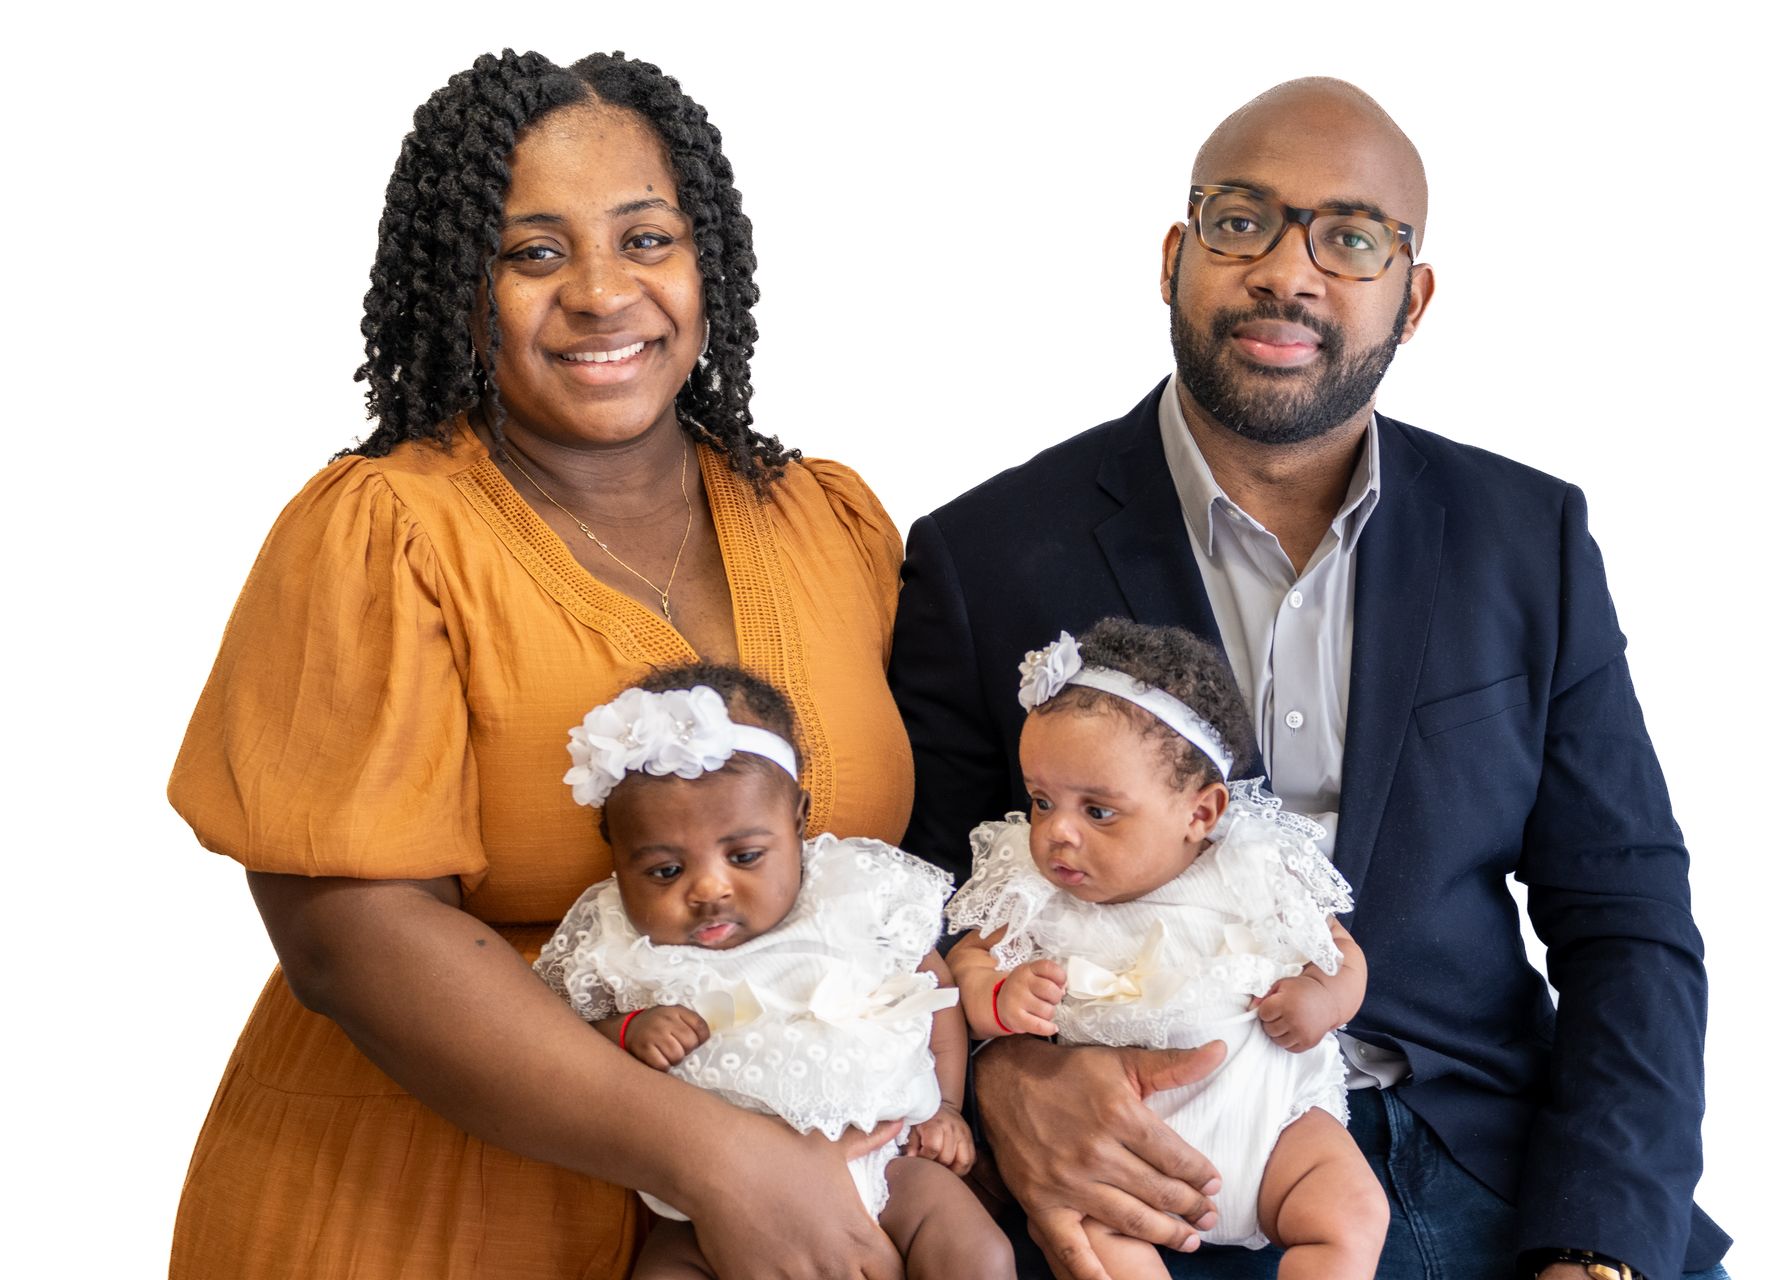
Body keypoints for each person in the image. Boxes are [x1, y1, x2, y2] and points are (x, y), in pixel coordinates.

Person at [888, 78, 1731, 1280]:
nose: (1290, 272)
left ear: (1412, 295)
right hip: (1154, 1162)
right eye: (1243, 222)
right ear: (1175, 256)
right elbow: (920, 907)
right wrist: (1018, 1080)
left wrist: (1598, 1239)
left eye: (1350, 237)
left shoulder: (1523, 536)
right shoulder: (987, 555)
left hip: (1491, 1156)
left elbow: (1630, 919)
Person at [169, 50, 915, 1280]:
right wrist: (715, 1159)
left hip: (811, 1205)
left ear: (706, 263)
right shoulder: (384, 532)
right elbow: (349, 936)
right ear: (462, 287)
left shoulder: (826, 520)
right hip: (437, 1208)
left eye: (645, 238)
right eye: (534, 253)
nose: (600, 293)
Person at [533, 663, 1012, 1279]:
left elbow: (932, 992)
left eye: (745, 856)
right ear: (617, 856)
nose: (708, 888)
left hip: (887, 1163)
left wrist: (945, 1107)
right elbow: (567, 1042)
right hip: (714, 1206)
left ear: (798, 821)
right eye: (663, 871)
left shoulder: (852, 891)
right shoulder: (621, 938)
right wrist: (626, 1031)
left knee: (980, 1254)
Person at [945, 620, 1386, 1280]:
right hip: (1106, 1151)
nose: (1057, 832)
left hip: (1271, 1127)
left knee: (1350, 1212)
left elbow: (1341, 954)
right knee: (1092, 1249)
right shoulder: (1030, 888)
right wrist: (998, 997)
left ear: (1200, 815)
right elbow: (967, 968)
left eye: (1098, 811)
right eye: (1041, 800)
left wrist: (1322, 997)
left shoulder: (1251, 866)